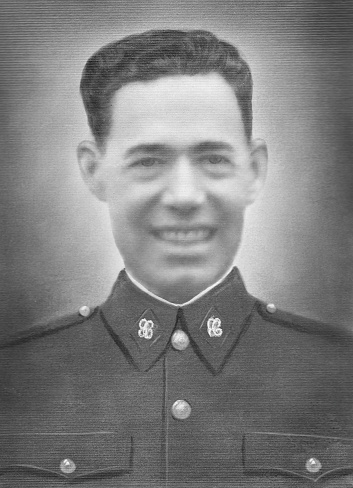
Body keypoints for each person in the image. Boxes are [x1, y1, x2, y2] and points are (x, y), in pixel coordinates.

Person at [1, 29, 352, 488]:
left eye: (213, 159)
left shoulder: (340, 375)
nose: (185, 196)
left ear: (255, 170)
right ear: (94, 170)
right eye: (148, 161)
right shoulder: (16, 381)